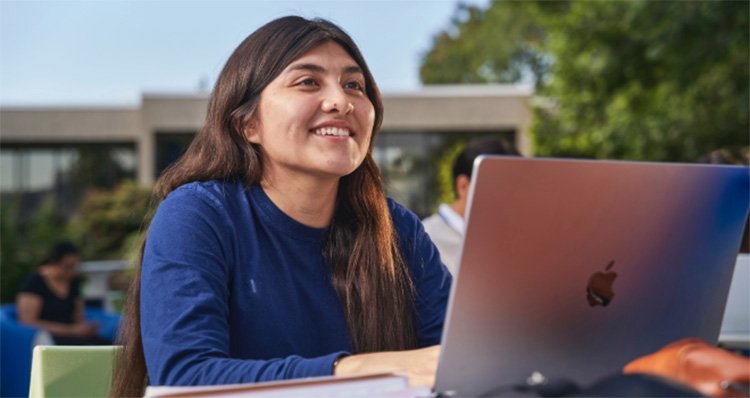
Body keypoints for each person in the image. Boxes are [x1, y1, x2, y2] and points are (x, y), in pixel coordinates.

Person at [111, 16, 451, 396]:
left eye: (354, 85)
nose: (341, 101)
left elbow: (466, 360)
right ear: (247, 124)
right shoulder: (197, 215)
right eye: (308, 81)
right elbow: (185, 377)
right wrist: (354, 370)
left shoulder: (397, 229)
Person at [422, 137, 520, 273]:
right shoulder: (424, 240)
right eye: (500, 187)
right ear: (463, 186)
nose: (509, 199)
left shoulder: (512, 239)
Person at [16, 241, 104, 345]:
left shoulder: (73, 283)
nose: (72, 271)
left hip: (74, 336)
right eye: (68, 266)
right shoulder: (35, 283)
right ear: (54, 263)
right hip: (48, 338)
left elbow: (78, 316)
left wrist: (86, 328)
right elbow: (27, 322)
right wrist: (69, 330)